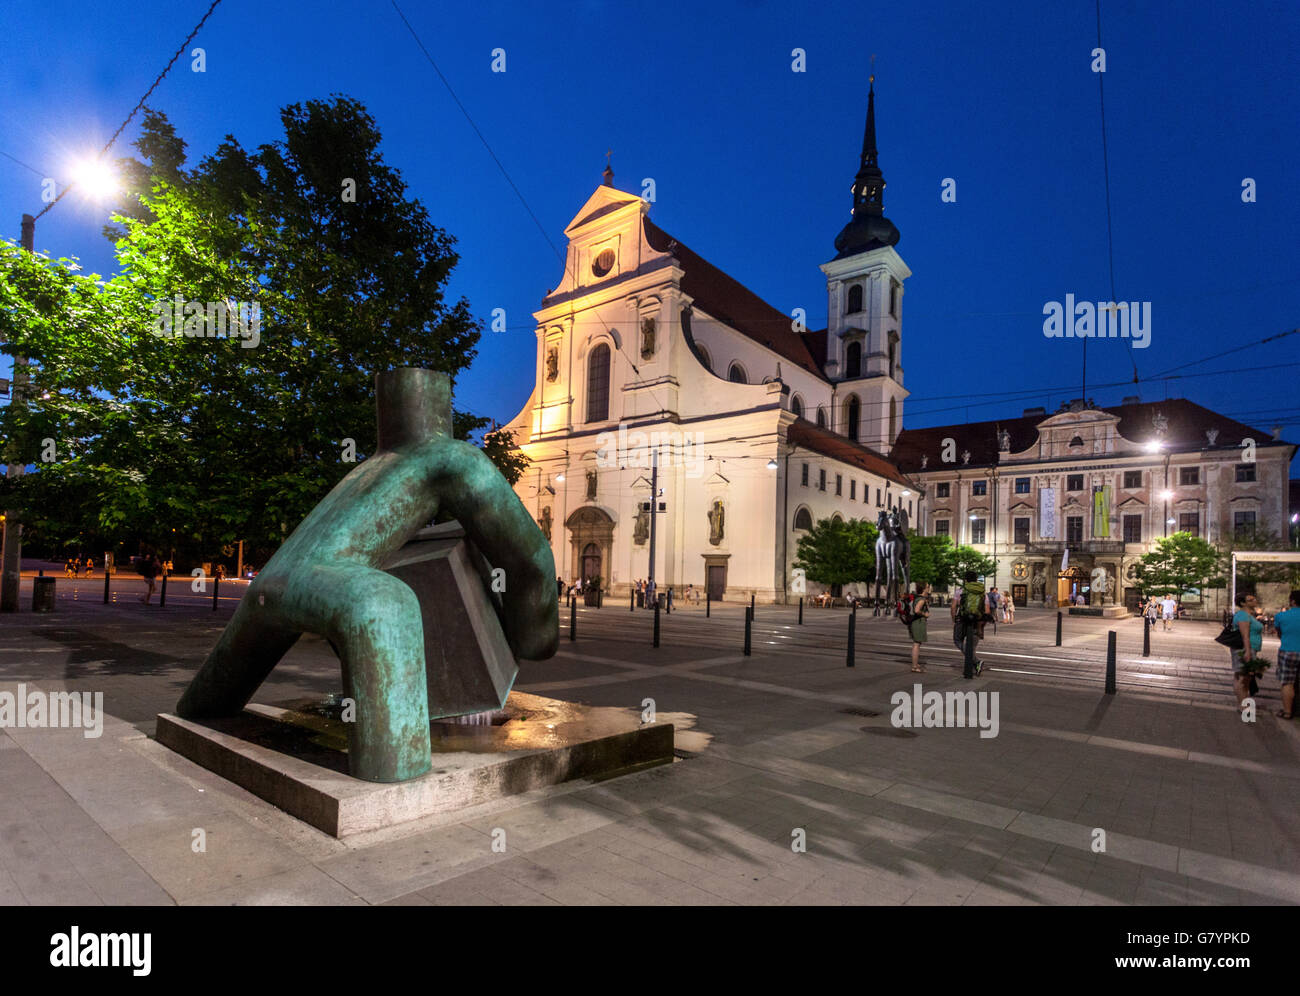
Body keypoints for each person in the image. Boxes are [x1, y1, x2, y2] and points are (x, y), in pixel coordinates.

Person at [951, 572, 990, 675]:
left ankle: (976, 662)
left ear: (965, 580)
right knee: (972, 647)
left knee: (957, 640)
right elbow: (987, 611)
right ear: (977, 579)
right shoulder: (982, 592)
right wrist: (981, 625)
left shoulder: (960, 591)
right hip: (977, 621)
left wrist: (954, 619)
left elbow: (953, 607)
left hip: (962, 619)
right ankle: (975, 666)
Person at [1231, 592, 1265, 707]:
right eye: (1250, 600)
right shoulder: (1243, 615)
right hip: (1245, 649)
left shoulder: (1248, 615)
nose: (1254, 601)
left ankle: (1243, 704)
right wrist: (1247, 652)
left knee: (1241, 677)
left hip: (1248, 649)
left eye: (1254, 598)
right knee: (1244, 678)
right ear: (1242, 603)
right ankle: (1243, 706)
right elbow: (1245, 635)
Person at [1272, 590, 1300, 720]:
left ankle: (1287, 712)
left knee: (1287, 683)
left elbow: (1279, 633)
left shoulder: (1281, 616)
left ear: (1292, 601)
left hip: (1288, 651)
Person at [909, 583, 931, 673]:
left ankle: (915, 664)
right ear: (924, 589)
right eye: (928, 587)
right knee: (916, 644)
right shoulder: (921, 599)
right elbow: (917, 610)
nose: (929, 588)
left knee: (917, 643)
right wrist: (924, 614)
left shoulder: (918, 598)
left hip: (917, 622)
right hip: (918, 623)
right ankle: (914, 666)